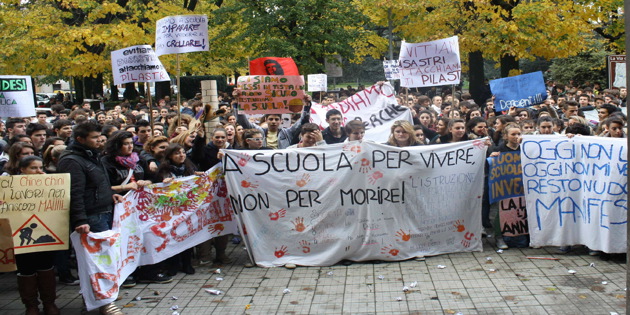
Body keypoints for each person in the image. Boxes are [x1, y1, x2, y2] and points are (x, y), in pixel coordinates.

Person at [56, 121, 125, 315]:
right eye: (94, 138)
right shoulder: (72, 160)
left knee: (106, 259)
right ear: (80, 139)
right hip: (90, 217)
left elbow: (97, 184)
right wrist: (80, 220)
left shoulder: (93, 156)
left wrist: (109, 196)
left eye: (99, 136)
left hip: (102, 211)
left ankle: (103, 298)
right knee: (96, 262)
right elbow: (74, 193)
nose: (99, 141)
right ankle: (103, 304)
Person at [100, 131, 171, 286]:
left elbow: (152, 178)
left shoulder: (138, 160)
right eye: (125, 144)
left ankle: (148, 271)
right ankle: (126, 274)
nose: (130, 146)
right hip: (119, 208)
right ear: (117, 145)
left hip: (140, 208)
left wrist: (146, 181)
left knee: (147, 237)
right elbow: (103, 187)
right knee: (124, 240)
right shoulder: (106, 162)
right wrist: (124, 187)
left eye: (131, 143)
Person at [4, 156, 60, 315]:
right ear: (22, 170)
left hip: (46, 232)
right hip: (20, 233)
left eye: (40, 167)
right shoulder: (10, 187)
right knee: (26, 269)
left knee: (46, 266)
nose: (39, 171)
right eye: (34, 168)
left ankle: (49, 303)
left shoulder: (49, 184)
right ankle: (31, 305)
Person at [156, 144, 198, 275]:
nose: (181, 155)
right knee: (172, 237)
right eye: (177, 153)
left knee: (187, 236)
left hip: (187, 209)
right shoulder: (163, 171)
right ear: (170, 156)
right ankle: (173, 264)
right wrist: (164, 184)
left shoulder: (190, 169)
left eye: (183, 152)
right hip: (171, 211)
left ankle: (187, 263)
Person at [488, 123, 526, 250]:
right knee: (500, 213)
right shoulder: (499, 150)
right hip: (504, 189)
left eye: (519, 134)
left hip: (521, 188)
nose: (516, 137)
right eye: (513, 134)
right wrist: (492, 158)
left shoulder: (526, 148)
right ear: (506, 136)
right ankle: (499, 237)